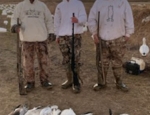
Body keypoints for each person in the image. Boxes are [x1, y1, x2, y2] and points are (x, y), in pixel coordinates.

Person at [88, 0, 134, 92]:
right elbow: (92, 19)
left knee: (117, 62)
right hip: (103, 39)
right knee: (102, 63)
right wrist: (94, 32)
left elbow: (129, 18)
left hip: (118, 38)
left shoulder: (123, 2)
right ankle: (101, 83)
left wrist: (128, 33)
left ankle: (119, 83)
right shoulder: (99, 3)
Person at [11, 0, 55, 92]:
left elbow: (49, 20)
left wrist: (51, 32)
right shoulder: (21, 6)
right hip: (27, 39)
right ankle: (30, 82)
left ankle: (45, 81)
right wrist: (15, 26)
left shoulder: (42, 5)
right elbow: (14, 18)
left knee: (44, 61)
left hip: (41, 39)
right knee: (28, 63)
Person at [54, 0, 87, 93]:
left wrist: (78, 20)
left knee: (75, 59)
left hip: (75, 36)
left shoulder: (78, 3)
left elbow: (84, 18)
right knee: (66, 59)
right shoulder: (60, 6)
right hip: (63, 36)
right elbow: (57, 22)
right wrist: (57, 35)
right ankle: (69, 79)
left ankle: (76, 82)